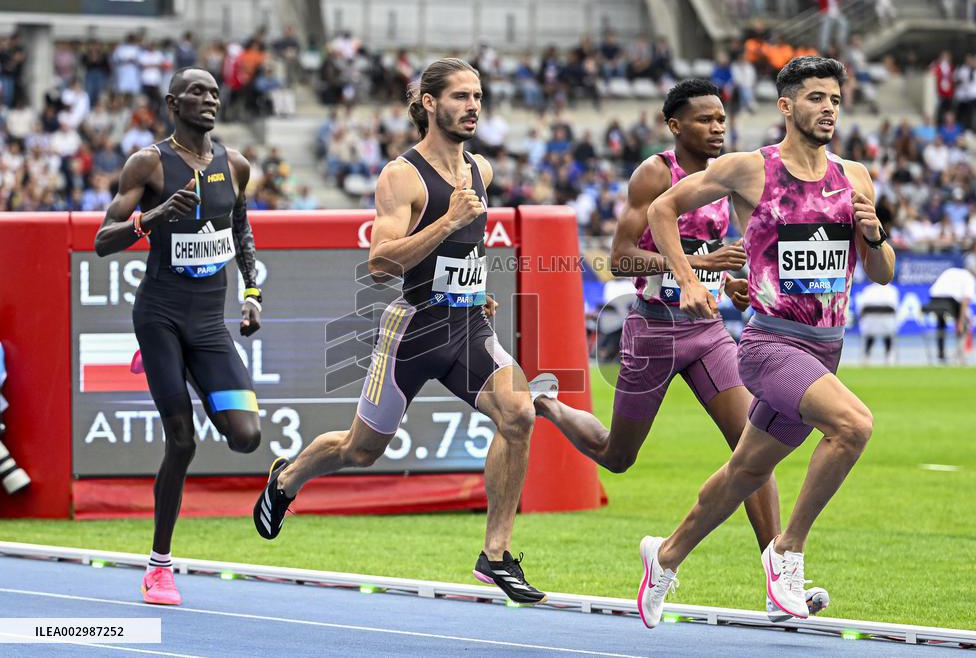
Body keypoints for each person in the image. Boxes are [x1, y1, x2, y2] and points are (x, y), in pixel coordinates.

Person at [531, 79, 833, 621]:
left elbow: (718, 259)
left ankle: (778, 578)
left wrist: (728, 283)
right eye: (704, 120)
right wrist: (697, 266)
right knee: (618, 456)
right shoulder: (655, 173)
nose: (717, 127)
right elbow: (621, 258)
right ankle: (549, 406)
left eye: (722, 118)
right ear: (676, 126)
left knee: (751, 447)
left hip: (710, 331)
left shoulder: (730, 178)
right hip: (653, 332)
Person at [251, 58, 546, 605]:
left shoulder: (479, 169)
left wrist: (473, 285)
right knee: (361, 450)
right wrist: (449, 221)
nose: (473, 106)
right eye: (460, 96)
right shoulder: (401, 175)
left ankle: (497, 555)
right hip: (412, 331)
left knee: (519, 412)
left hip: (466, 325)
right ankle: (286, 480)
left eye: (478, 96)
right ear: (429, 103)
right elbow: (382, 262)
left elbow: (465, 251)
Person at [636, 56, 895, 628]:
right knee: (852, 426)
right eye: (815, 98)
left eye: (834, 99)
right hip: (769, 345)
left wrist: (874, 235)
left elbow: (881, 273)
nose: (827, 108)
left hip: (826, 345)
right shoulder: (750, 170)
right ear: (786, 106)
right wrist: (685, 279)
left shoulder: (854, 177)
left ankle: (665, 556)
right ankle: (788, 549)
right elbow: (660, 209)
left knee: (744, 473)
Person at [94, 67, 263, 606]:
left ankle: (197, 377)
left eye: (214, 92)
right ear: (173, 102)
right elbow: (102, 240)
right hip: (161, 317)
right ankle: (159, 567)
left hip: (209, 324)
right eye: (197, 92)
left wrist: (253, 293)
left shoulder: (235, 165)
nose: (209, 99)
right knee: (183, 441)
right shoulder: (147, 163)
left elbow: (241, 229)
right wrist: (153, 217)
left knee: (245, 435)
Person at [928, 266, 976, 364]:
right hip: (950, 300)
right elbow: (965, 301)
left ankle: (941, 354)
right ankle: (959, 355)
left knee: (941, 322)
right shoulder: (971, 279)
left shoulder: (951, 271)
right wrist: (960, 321)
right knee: (965, 321)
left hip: (934, 299)